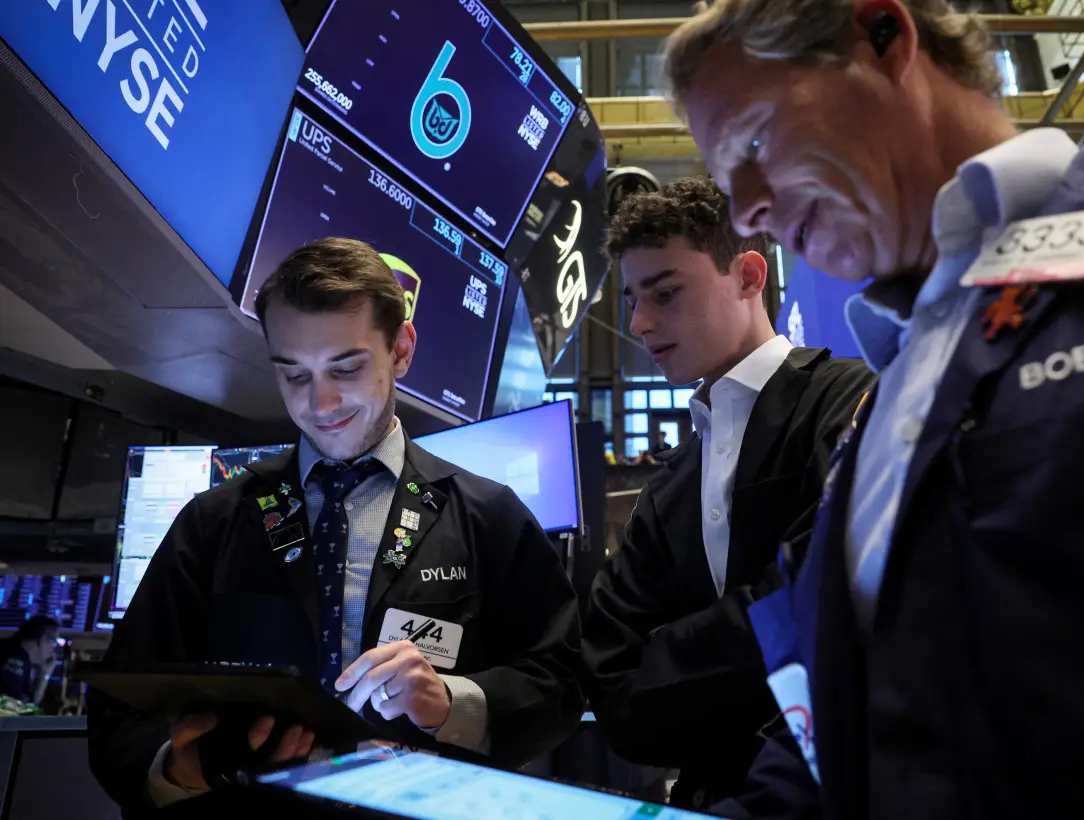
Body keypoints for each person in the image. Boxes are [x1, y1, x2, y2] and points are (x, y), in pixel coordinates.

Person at [663, 0, 1084, 817]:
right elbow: (832, 734)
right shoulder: (879, 404)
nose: (745, 207)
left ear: (883, 36)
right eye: (724, 181)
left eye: (753, 140)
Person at [89, 238, 585, 816]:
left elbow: (560, 685)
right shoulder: (215, 521)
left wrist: (451, 701)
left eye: (346, 368)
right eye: (293, 374)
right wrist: (175, 769)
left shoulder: (486, 516)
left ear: (400, 349)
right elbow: (120, 706)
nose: (319, 402)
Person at [582, 176, 875, 810]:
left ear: (748, 275)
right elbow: (610, 680)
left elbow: (828, 598)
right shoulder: (672, 484)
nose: (639, 322)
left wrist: (675, 658)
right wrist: (757, 650)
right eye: (634, 298)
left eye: (665, 293)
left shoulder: (846, 402)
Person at [0, 616, 59, 706]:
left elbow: (30, 704)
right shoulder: (16, 658)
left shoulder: (18, 654)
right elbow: (15, 711)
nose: (53, 651)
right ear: (43, 641)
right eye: (54, 643)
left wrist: (44, 674)